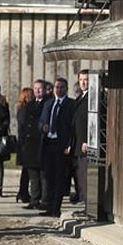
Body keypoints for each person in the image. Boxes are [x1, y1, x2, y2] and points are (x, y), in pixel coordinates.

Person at [38, 77, 74, 217]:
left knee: (59, 177)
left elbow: (72, 127)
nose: (58, 90)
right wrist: (43, 127)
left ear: (66, 89)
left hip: (61, 144)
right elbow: (41, 121)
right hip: (49, 143)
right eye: (56, 87)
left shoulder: (70, 104)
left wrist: (69, 144)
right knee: (48, 176)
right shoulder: (49, 103)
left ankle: (56, 208)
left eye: (61, 87)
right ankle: (48, 205)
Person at [16, 84, 44, 208]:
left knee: (39, 175)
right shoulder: (27, 107)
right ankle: (33, 199)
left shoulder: (45, 103)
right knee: (31, 174)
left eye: (39, 89)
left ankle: (38, 198)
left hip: (40, 143)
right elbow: (23, 126)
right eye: (35, 89)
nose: (37, 91)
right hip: (28, 144)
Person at [70, 70, 90, 206]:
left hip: (85, 143)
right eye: (81, 79)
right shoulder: (80, 98)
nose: (83, 82)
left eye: (86, 79)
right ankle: (81, 197)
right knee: (78, 174)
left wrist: (87, 140)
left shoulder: (92, 98)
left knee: (84, 174)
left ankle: (86, 200)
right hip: (76, 142)